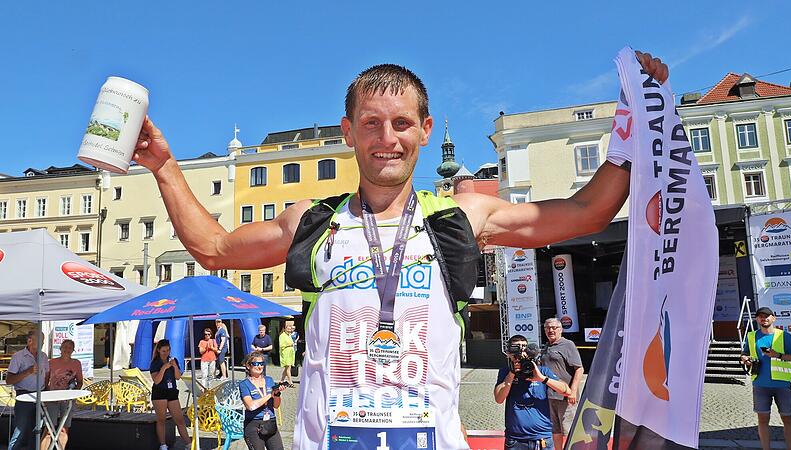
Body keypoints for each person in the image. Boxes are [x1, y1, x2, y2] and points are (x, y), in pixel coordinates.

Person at [133, 53, 668, 449]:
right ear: (349, 132)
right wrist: (163, 165)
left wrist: (635, 118)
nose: (386, 137)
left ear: (425, 131)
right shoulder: (313, 221)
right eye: (370, 123)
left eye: (402, 123)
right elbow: (213, 248)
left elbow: (587, 213)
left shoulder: (460, 216)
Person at [494, 335, 571, 450]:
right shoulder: (505, 372)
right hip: (516, 440)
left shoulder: (542, 370)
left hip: (542, 438)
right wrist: (512, 374)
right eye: (517, 348)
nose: (522, 351)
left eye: (524, 347)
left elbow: (566, 390)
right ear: (509, 353)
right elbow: (499, 399)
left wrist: (542, 379)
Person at [740, 307, 791, 450]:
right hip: (760, 385)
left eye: (767, 316)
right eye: (760, 316)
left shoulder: (784, 336)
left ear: (774, 318)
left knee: (787, 420)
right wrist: (745, 358)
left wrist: (778, 355)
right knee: (762, 420)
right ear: (757, 319)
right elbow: (745, 353)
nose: (763, 318)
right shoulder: (751, 336)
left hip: (782, 386)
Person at [540, 318, 584, 450]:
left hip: (565, 397)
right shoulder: (546, 346)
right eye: (547, 328)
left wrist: (572, 391)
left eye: (554, 327)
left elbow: (579, 368)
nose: (550, 330)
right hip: (549, 396)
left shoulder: (567, 344)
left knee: (570, 430)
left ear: (561, 329)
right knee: (555, 430)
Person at [7, 330, 49, 450]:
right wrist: (28, 371)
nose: (42, 343)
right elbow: (9, 380)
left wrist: (45, 392)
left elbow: (46, 375)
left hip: (40, 395)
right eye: (40, 340)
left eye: (43, 340)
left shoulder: (44, 356)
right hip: (23, 395)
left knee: (36, 431)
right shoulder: (18, 356)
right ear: (30, 341)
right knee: (20, 431)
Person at [41, 339, 83, 450]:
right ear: (60, 349)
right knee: (48, 429)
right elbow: (46, 380)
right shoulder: (52, 362)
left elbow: (80, 381)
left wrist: (73, 395)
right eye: (65, 347)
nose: (67, 349)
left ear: (73, 350)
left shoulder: (76, 363)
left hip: (68, 401)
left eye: (69, 347)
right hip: (52, 399)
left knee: (64, 429)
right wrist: (45, 396)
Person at [239, 351, 287, 450]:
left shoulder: (269, 380)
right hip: (254, 425)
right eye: (256, 364)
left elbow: (276, 406)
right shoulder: (244, 384)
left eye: (262, 364)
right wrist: (270, 395)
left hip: (270, 423)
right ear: (248, 366)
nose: (260, 366)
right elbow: (250, 406)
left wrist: (277, 394)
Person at [150, 339, 191, 450]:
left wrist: (175, 366)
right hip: (160, 393)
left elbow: (177, 377)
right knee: (161, 419)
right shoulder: (155, 363)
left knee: (180, 420)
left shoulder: (173, 360)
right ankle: (163, 445)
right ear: (158, 350)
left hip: (172, 392)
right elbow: (157, 381)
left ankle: (188, 444)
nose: (166, 353)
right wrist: (164, 368)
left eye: (168, 350)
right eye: (164, 351)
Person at [278, 321, 295, 386]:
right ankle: (290, 382)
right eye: (288, 328)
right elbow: (281, 345)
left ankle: (281, 380)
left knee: (287, 368)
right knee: (288, 368)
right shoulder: (282, 335)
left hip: (290, 353)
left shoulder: (289, 335)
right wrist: (289, 344)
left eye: (290, 329)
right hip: (285, 353)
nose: (289, 330)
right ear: (284, 329)